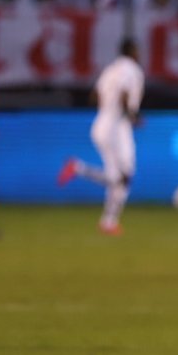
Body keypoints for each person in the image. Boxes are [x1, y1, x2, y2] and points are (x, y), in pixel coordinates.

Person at [57, 38, 145, 235]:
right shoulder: (132, 70)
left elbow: (94, 96)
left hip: (101, 123)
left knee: (123, 177)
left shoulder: (109, 70)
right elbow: (123, 92)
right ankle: (107, 220)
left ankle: (109, 220)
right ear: (133, 51)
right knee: (121, 178)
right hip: (117, 127)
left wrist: (107, 106)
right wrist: (132, 115)